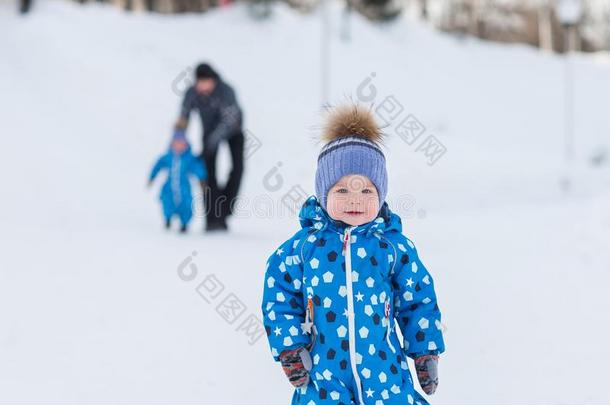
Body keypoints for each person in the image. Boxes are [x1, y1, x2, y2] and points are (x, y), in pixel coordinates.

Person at [261, 104, 445, 404]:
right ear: (323, 195)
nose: (354, 201)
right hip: (323, 373)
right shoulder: (303, 248)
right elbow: (278, 294)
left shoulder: (393, 248)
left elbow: (418, 299)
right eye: (342, 191)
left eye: (366, 191)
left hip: (383, 370)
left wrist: (425, 351)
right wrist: (290, 347)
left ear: (381, 195)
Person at [179, 63, 244, 232]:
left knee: (237, 169)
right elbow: (184, 115)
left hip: (233, 131)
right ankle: (213, 218)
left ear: (213, 80)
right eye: (199, 82)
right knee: (207, 175)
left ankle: (225, 210)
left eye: (205, 82)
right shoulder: (192, 93)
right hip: (208, 134)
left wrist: (212, 142)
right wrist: (178, 138)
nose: (202, 86)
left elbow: (229, 121)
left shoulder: (226, 92)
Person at [148, 124, 207, 233]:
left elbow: (197, 167)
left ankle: (184, 224)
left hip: (184, 187)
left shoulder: (189, 158)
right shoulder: (168, 157)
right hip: (169, 187)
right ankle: (167, 219)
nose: (179, 146)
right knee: (167, 202)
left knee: (186, 205)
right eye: (176, 143)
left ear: (186, 144)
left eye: (181, 143)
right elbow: (158, 165)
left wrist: (201, 179)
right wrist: (152, 177)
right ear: (172, 144)